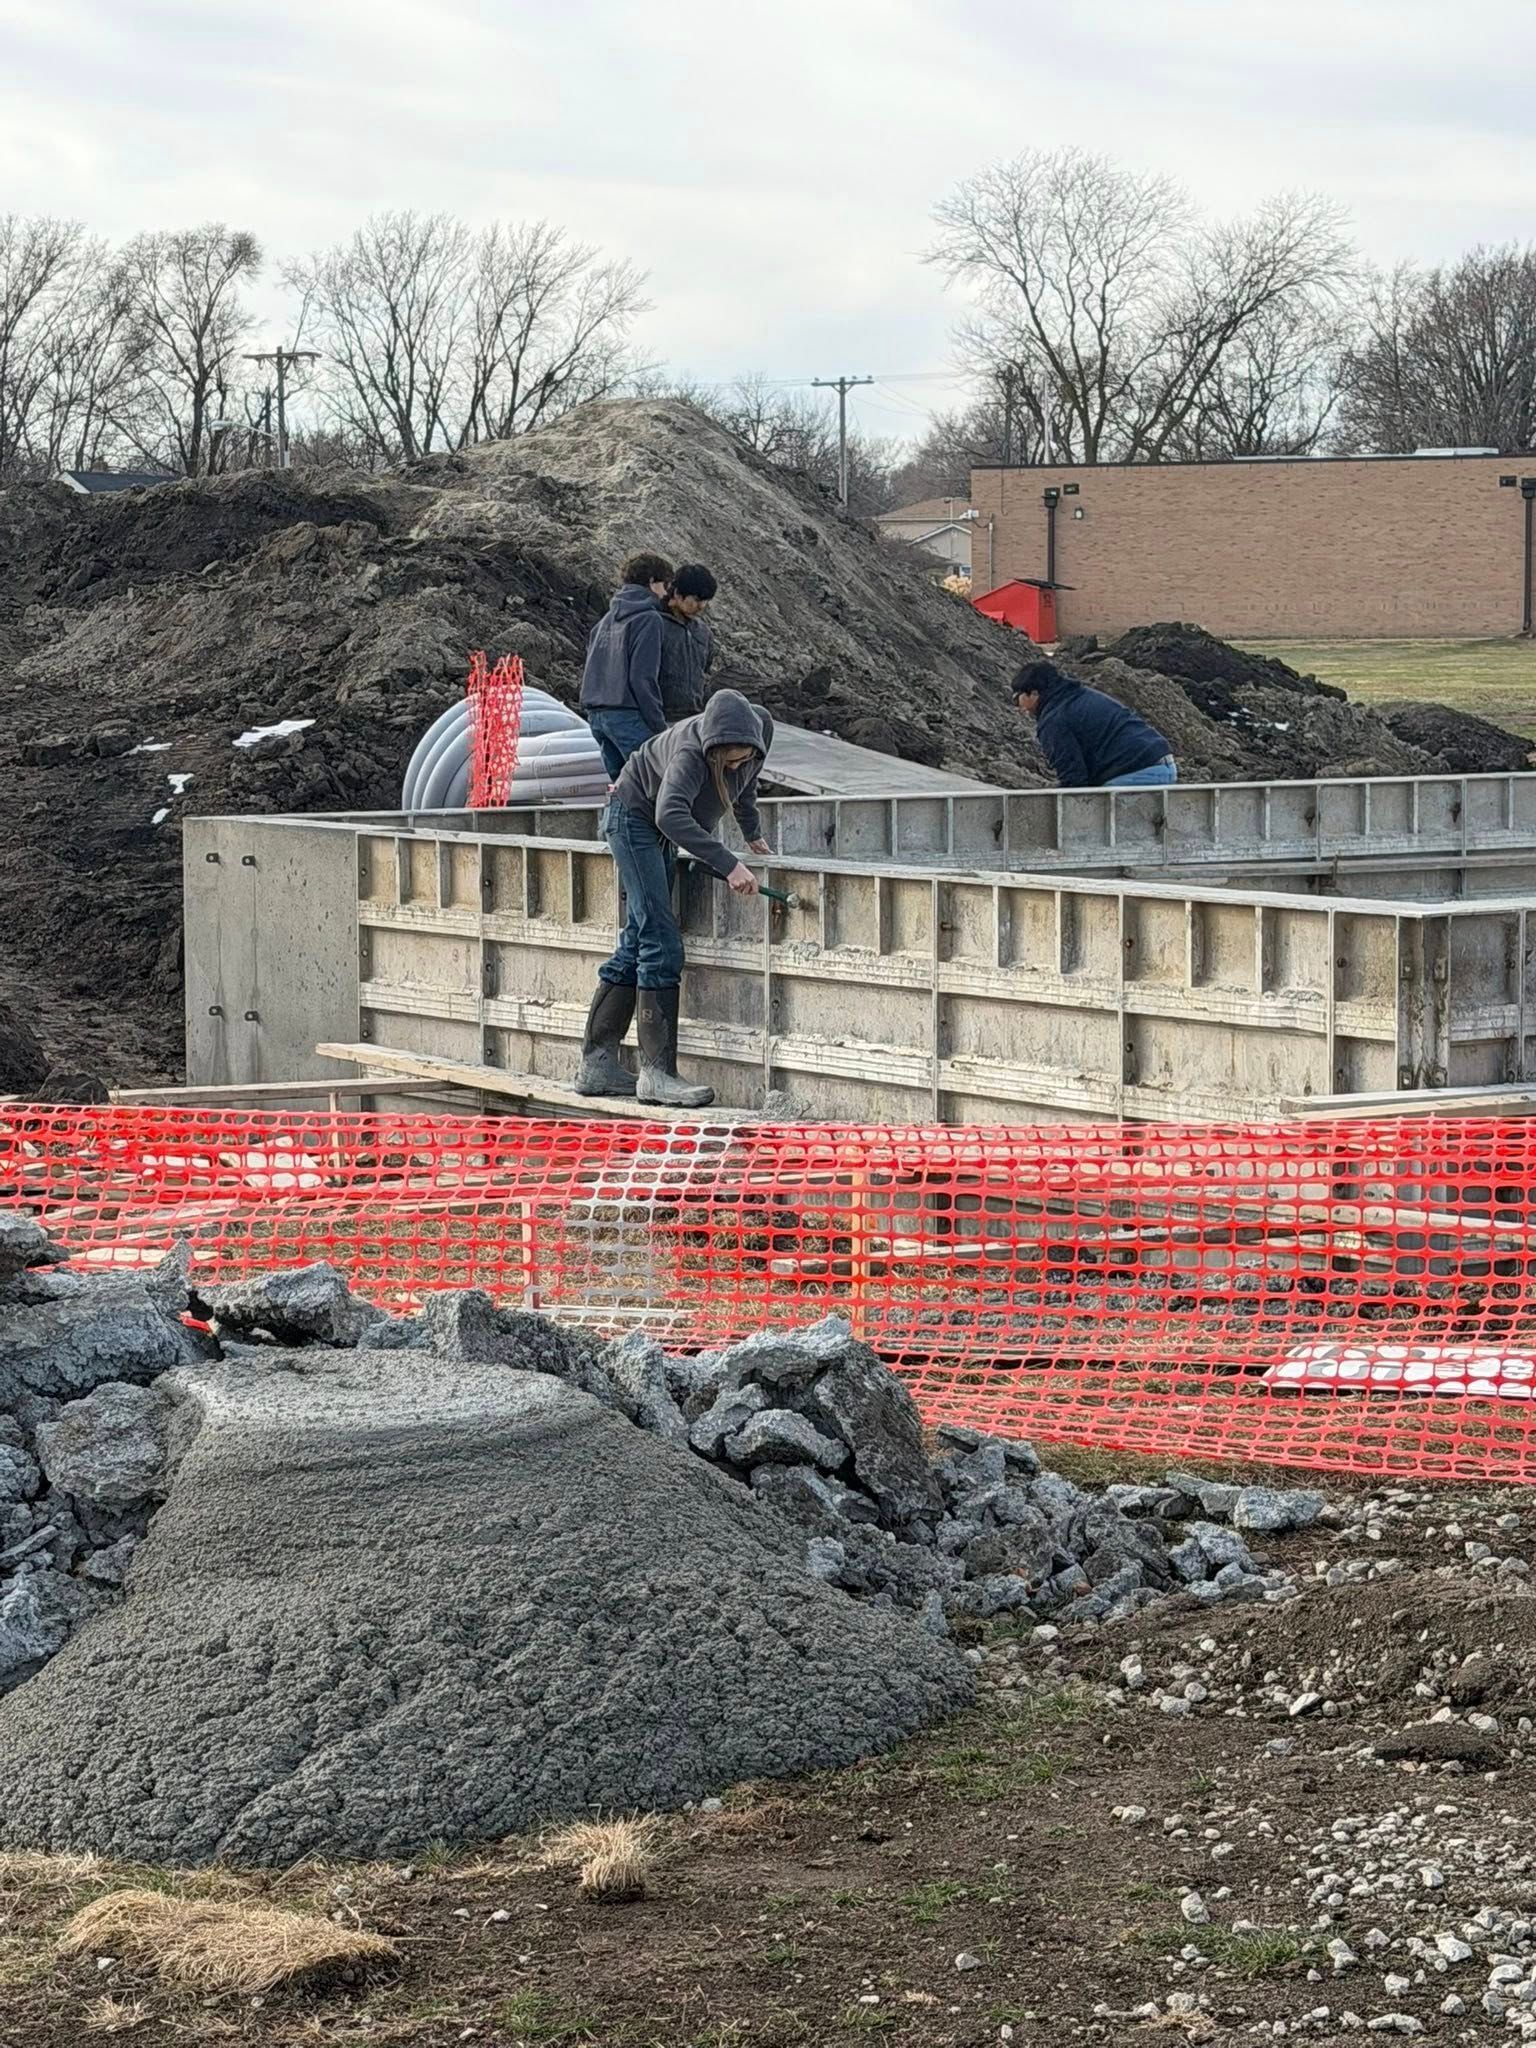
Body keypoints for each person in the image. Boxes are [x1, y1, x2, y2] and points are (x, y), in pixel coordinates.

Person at [576, 686, 773, 1109]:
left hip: (660, 831)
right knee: (660, 941)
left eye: (744, 757)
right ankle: (657, 1075)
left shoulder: (760, 732)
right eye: (728, 761)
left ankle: (597, 1065)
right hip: (635, 821)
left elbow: (747, 785)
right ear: (711, 747)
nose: (736, 766)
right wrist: (728, 864)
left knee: (638, 939)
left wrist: (751, 831)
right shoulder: (689, 750)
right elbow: (669, 814)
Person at [578, 551, 674, 779]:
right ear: (652, 582)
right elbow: (643, 677)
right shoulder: (649, 619)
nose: (666, 593)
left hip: (597, 715)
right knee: (652, 785)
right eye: (665, 585)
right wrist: (658, 725)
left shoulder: (606, 621)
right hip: (629, 715)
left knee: (622, 790)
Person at [1011, 658, 1177, 789]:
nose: (1018, 706)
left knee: (1102, 822)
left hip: (1138, 771)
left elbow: (1073, 778)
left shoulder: (1054, 720)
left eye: (1016, 698)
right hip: (1161, 762)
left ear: (1033, 694)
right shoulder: (1078, 696)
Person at [657, 563, 717, 720]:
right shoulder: (654, 624)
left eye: (706, 601)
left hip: (693, 718)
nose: (701, 606)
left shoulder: (703, 632)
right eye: (697, 600)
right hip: (659, 717)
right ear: (677, 593)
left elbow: (705, 672)